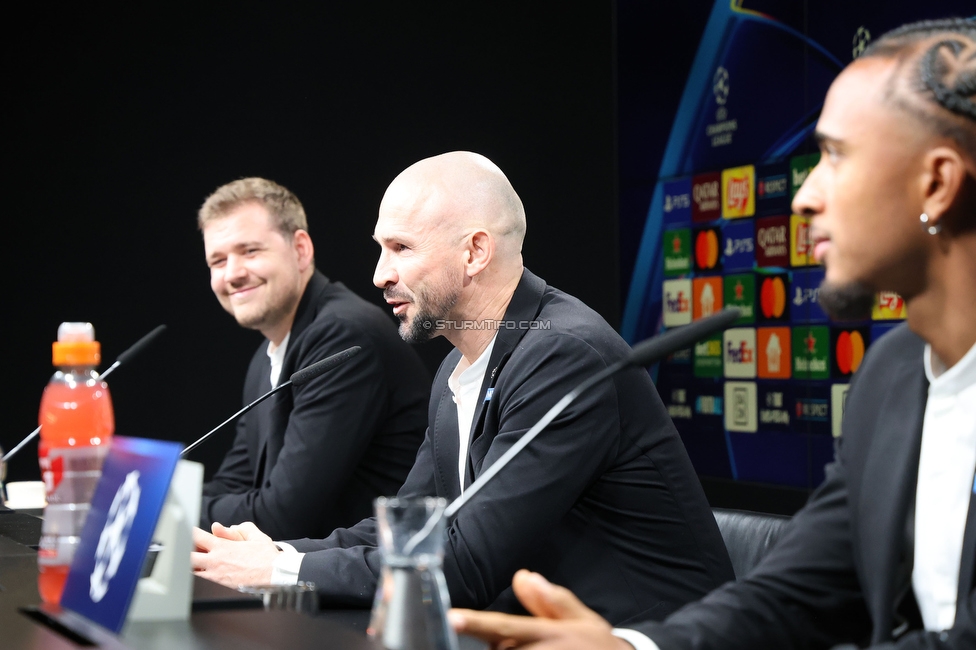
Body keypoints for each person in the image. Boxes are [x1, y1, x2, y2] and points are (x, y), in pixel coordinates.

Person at [449, 18, 976, 649]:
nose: (805, 195)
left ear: (937, 184)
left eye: (835, 155)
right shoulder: (891, 376)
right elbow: (796, 592)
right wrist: (633, 648)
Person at [191, 153, 735, 622]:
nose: (379, 274)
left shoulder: (563, 355)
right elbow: (408, 530)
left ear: (475, 252)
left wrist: (282, 568)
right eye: (381, 249)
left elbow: (467, 565)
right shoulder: (457, 367)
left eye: (401, 248)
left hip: (645, 638)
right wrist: (272, 551)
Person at [197, 177, 430, 541]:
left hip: (368, 582)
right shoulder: (268, 355)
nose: (233, 273)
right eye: (218, 260)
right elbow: (237, 480)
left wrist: (164, 509)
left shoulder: (341, 336)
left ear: (301, 249)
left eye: (250, 251)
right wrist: (169, 504)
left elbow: (281, 517)